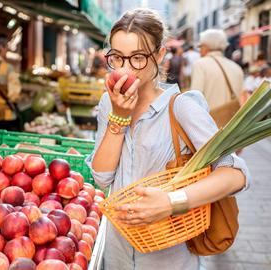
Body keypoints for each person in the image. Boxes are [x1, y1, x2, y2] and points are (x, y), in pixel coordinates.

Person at [87, 8, 249, 269]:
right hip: (116, 251)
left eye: (138, 57)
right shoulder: (109, 102)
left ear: (160, 55)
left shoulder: (182, 107)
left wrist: (171, 202)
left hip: (168, 257)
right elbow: (102, 177)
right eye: (117, 58)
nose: (126, 68)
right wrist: (118, 117)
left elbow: (237, 174)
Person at [190, 29, 244, 110]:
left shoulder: (200, 64)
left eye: (200, 46)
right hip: (232, 119)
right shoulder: (236, 67)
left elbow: (194, 99)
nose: (199, 49)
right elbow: (241, 98)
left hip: (209, 119)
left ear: (206, 46)